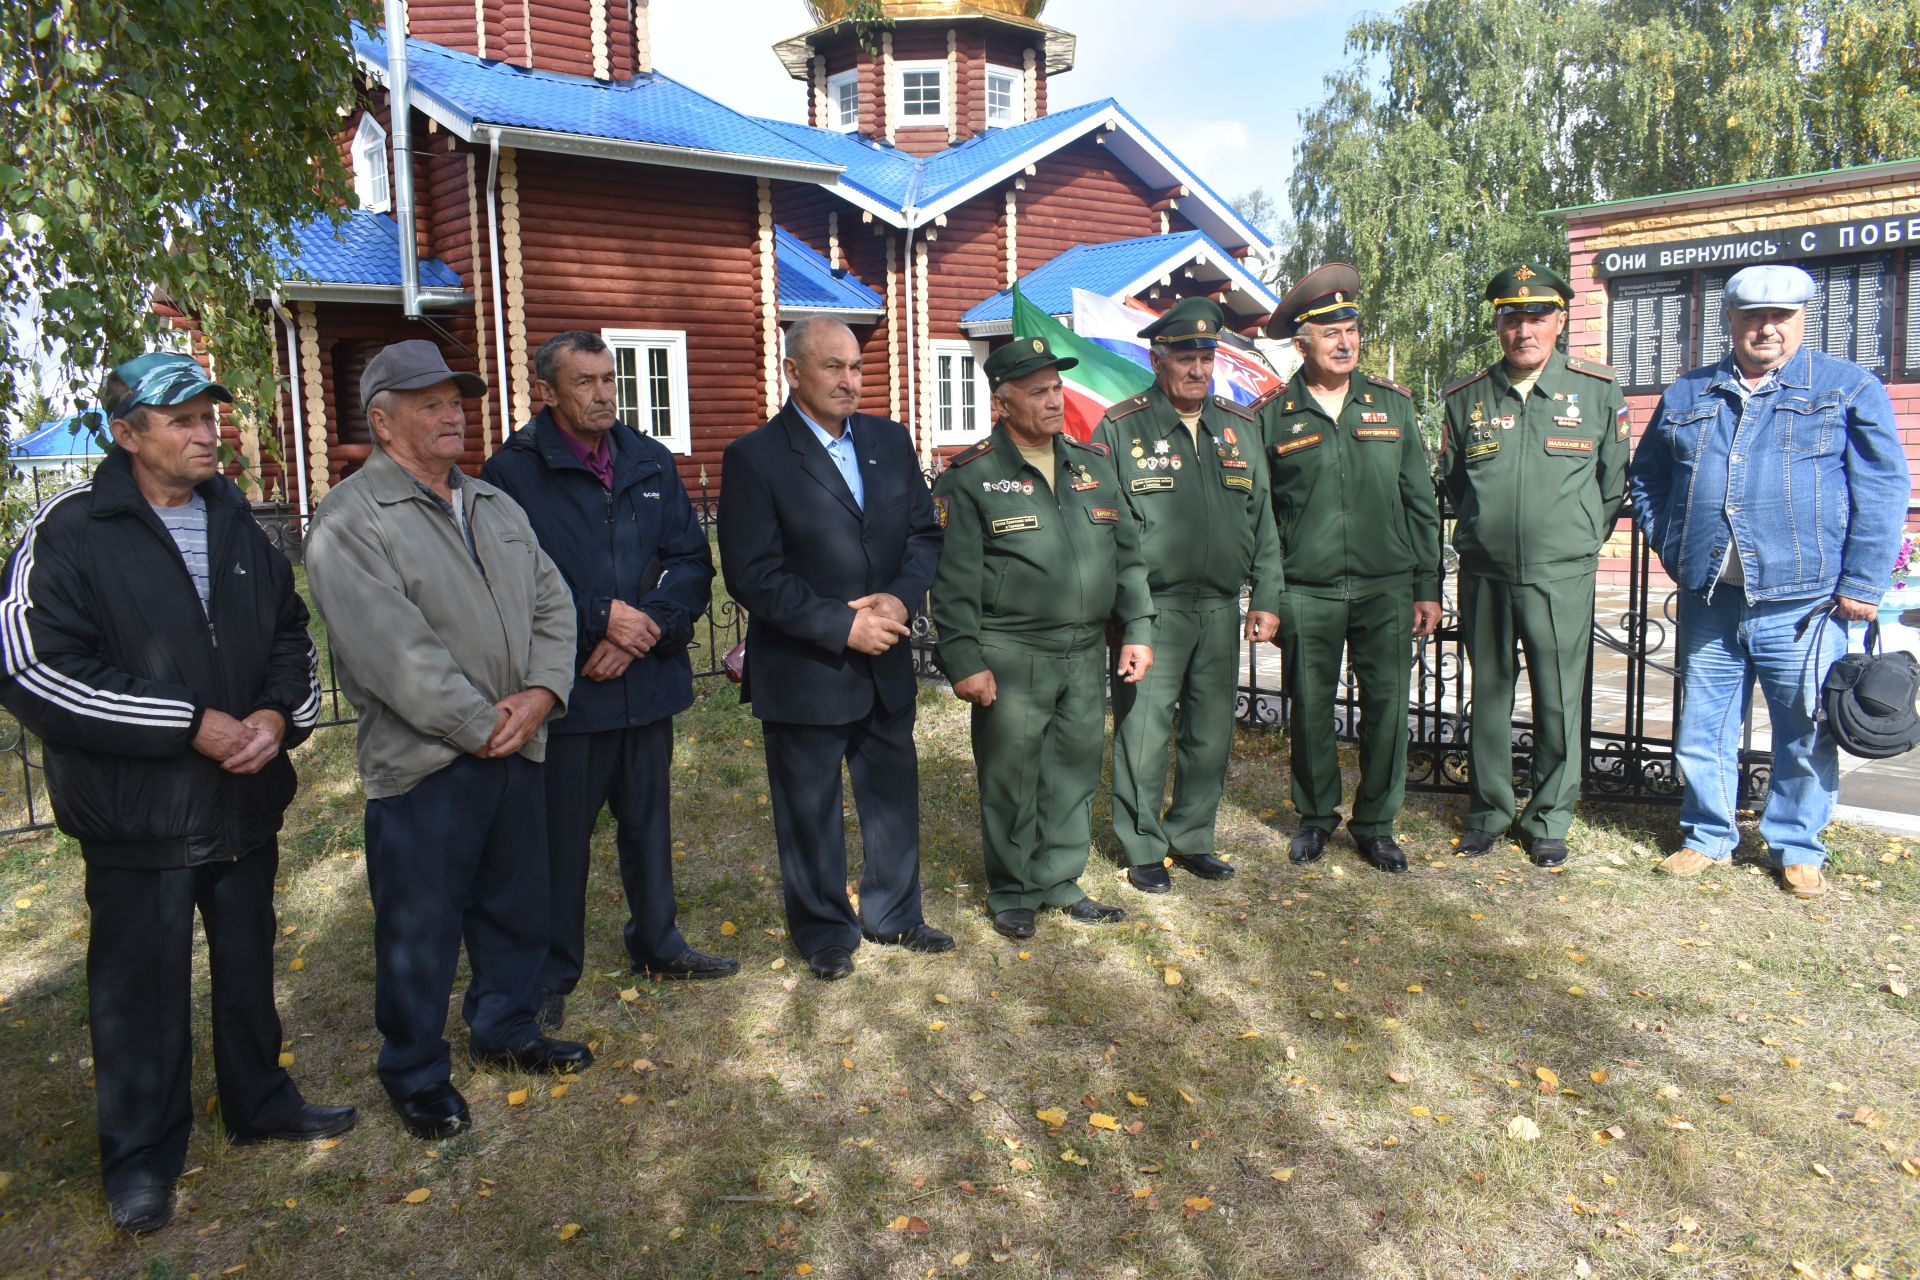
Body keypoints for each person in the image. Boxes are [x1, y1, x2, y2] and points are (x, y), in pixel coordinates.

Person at [0, 353, 351, 1234]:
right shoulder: (72, 529)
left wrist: (277, 717)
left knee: (246, 968)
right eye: (183, 420)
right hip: (136, 816)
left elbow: (288, 632)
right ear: (126, 435)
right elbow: (35, 667)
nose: (208, 434)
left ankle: (259, 1101)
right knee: (138, 990)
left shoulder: (237, 519)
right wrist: (186, 722)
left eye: (210, 416)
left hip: (243, 801)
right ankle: (142, 1157)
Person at [305, 340, 591, 1143]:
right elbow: (390, 648)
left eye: (455, 400)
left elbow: (553, 603)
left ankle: (507, 1028)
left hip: (516, 743)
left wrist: (539, 696)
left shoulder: (494, 504)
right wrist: (479, 725)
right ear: (384, 423)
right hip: (427, 764)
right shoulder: (350, 519)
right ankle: (416, 1071)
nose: (450, 415)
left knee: (514, 905)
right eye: (427, 404)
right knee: (420, 927)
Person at [1629, 263, 1911, 899]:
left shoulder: (1847, 388)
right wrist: (1675, 544)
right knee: (1703, 726)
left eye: (1780, 317)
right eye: (1753, 316)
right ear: (1729, 320)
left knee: (1804, 730)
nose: (1766, 328)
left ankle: (1796, 845)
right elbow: (1647, 478)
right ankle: (1706, 836)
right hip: (1711, 598)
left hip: (1805, 602)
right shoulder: (1687, 394)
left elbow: (1883, 487)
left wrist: (1863, 582)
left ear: (1800, 320)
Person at [482, 332, 732, 1029]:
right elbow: (514, 580)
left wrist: (644, 626)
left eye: (608, 379)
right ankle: (554, 969)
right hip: (568, 691)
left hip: (645, 683)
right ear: (548, 391)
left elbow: (690, 560)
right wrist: (599, 619)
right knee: (560, 837)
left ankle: (658, 942)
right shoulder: (512, 474)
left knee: (649, 824)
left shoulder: (647, 458)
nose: (602, 394)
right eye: (585, 381)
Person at [717, 316, 951, 981]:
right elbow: (753, 575)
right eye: (833, 368)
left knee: (891, 796)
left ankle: (895, 913)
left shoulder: (888, 440)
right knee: (810, 808)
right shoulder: (756, 456)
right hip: (806, 666)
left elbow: (922, 538)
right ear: (794, 372)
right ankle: (824, 931)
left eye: (856, 367)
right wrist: (840, 625)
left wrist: (901, 600)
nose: (850, 381)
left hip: (885, 659)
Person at [931, 336, 1155, 940]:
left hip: (1084, 651)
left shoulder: (1092, 465)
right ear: (1001, 404)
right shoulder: (973, 477)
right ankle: (1012, 887)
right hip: (1012, 651)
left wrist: (1137, 627)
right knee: (1013, 774)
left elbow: (1128, 558)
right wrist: (964, 661)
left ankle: (1059, 878)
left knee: (1075, 767)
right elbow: (950, 585)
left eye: (1057, 388)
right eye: (1039, 392)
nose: (1055, 401)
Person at [1440, 263, 1630, 868]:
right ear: (1499, 324)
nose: (1525, 328)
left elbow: (1611, 483)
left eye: (1538, 316)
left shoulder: (1596, 390)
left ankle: (1549, 816)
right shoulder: (1467, 396)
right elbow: (1453, 485)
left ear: (1561, 320)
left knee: (1557, 696)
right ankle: (1491, 811)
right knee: (1489, 694)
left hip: (1560, 574)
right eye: (1512, 316)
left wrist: (1574, 539)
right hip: (1485, 573)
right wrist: (1482, 535)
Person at [1090, 297, 1279, 893]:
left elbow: (1264, 519)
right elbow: (1106, 528)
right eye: (1186, 358)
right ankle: (1143, 845)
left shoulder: (1239, 426)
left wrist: (1267, 596)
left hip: (1221, 606)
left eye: (1206, 356)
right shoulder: (1122, 429)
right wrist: (1126, 615)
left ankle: (1193, 836)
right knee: (1143, 733)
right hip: (1153, 611)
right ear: (1157, 358)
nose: (1199, 369)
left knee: (1209, 733)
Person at [1261, 265, 1444, 872]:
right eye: (1330, 331)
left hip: (1386, 587)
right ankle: (1316, 817)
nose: (1345, 342)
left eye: (1351, 329)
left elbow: (1421, 503)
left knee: (1387, 707)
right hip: (1306, 590)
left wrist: (1427, 585)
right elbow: (1261, 514)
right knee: (1310, 706)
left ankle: (1376, 822)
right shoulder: (1273, 416)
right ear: (1301, 342)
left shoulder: (1391, 406)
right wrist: (1270, 590)